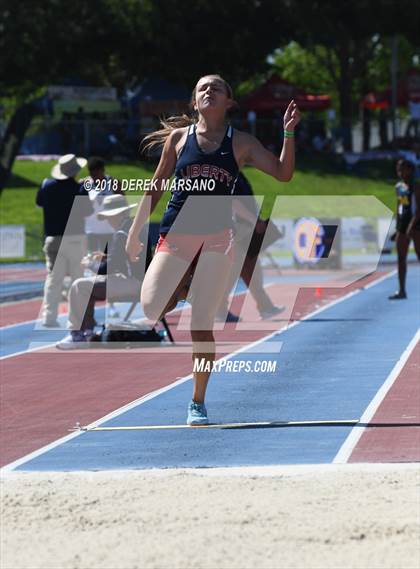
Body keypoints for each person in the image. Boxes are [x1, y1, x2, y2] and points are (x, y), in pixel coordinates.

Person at [126, 74, 300, 425]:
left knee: (201, 325)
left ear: (229, 103)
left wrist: (288, 133)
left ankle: (197, 402)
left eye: (216, 87)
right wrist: (133, 233)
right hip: (176, 234)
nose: (209, 90)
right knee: (152, 304)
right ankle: (188, 286)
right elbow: (156, 187)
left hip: (218, 240)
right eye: (202, 88)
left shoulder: (242, 143)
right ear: (194, 102)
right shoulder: (178, 139)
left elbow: (282, 173)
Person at [56, 194, 144, 349]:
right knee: (87, 287)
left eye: (110, 216)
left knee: (79, 285)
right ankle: (88, 331)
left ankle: (77, 334)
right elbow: (127, 259)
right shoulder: (133, 228)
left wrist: (89, 263)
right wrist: (106, 257)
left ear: (119, 214)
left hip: (132, 283)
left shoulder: (122, 233)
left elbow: (107, 269)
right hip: (140, 280)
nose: (108, 220)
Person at [216, 171, 285, 322]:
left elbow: (243, 202)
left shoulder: (236, 174)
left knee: (249, 269)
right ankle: (219, 310)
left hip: (244, 228)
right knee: (235, 271)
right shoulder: (230, 175)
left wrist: (256, 219)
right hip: (240, 229)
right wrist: (255, 220)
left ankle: (264, 306)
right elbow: (233, 202)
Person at [36, 153, 93, 327]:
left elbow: (39, 203)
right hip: (75, 238)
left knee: (54, 280)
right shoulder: (80, 188)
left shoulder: (46, 185)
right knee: (77, 279)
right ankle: (75, 319)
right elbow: (88, 212)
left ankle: (49, 317)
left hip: (53, 238)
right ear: (75, 171)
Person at [388, 159, 420, 300]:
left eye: (403, 169)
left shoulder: (416, 186)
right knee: (401, 259)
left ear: (410, 170)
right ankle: (402, 290)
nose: (400, 172)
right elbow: (401, 207)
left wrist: (412, 226)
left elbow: (419, 209)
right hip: (403, 225)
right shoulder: (399, 187)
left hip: (417, 225)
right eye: (398, 169)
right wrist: (398, 228)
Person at [83, 156, 123, 253]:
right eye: (92, 174)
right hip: (91, 230)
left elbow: (122, 205)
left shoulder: (114, 183)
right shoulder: (84, 183)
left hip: (109, 230)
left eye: (96, 174)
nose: (95, 177)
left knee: (107, 261)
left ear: (102, 170)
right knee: (91, 261)